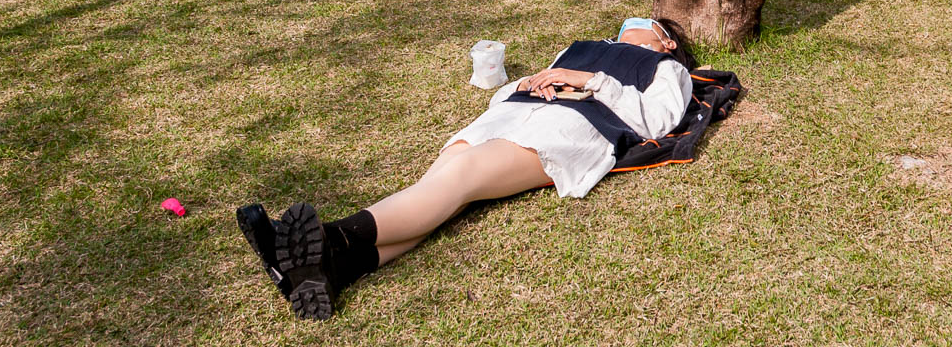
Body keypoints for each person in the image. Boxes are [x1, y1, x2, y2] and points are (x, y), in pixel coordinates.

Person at [237, 18, 697, 321]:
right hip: (509, 114)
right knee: (441, 184)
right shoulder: (579, 46)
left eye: (643, 24)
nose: (629, 25)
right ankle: (330, 272)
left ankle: (320, 240)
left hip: (572, 126)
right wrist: (530, 83)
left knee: (460, 179)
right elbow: (510, 92)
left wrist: (589, 81)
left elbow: (655, 120)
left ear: (666, 39)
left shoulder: (665, 67)